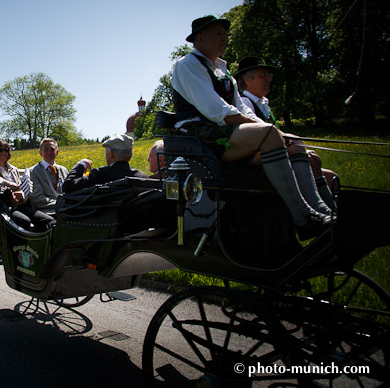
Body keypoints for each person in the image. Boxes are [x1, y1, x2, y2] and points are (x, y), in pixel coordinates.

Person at [170, 15, 331, 238]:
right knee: (268, 134)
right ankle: (302, 217)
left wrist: (280, 134)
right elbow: (218, 112)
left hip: (223, 132)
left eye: (225, 34)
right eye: (218, 33)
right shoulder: (188, 65)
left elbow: (243, 111)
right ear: (199, 38)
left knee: (294, 141)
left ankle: (320, 209)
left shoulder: (224, 72)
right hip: (200, 137)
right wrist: (267, 131)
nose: (224, 38)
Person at [235, 56, 337, 211]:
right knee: (329, 177)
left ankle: (328, 214)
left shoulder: (263, 105)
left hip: (279, 154)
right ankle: (325, 212)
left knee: (330, 175)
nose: (269, 79)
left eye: (270, 75)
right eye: (264, 75)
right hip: (267, 162)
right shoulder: (245, 104)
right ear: (248, 79)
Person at [0, 138, 55, 231]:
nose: (3, 153)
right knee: (24, 221)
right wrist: (7, 183)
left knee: (48, 220)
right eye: (0, 150)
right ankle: (22, 245)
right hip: (4, 208)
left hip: (19, 205)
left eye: (6, 150)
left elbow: (21, 188)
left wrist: (21, 196)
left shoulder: (13, 169)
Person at [63, 134, 148, 193]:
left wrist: (81, 164)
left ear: (111, 153)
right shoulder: (141, 177)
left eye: (106, 152)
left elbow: (68, 186)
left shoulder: (100, 175)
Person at [29, 137, 68, 215]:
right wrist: (62, 204)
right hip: (47, 211)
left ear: (57, 152)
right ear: (41, 153)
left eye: (52, 149)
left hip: (66, 208)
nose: (49, 152)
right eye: (46, 150)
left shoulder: (64, 170)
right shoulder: (33, 172)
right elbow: (38, 200)